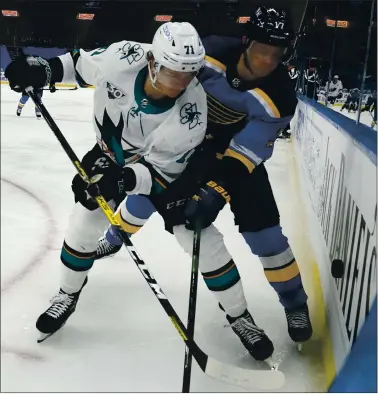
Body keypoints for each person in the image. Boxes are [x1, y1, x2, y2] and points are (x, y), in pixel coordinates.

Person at [98, 6, 313, 362]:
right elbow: (158, 58)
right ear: (246, 42)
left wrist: (216, 192)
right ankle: (116, 233)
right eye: (261, 49)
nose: (267, 60)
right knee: (152, 192)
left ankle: (294, 303)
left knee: (268, 238)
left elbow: (246, 152)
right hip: (186, 147)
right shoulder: (207, 52)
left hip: (236, 161)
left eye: (277, 54)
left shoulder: (280, 96)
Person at [5, 22, 207, 342]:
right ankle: (67, 294)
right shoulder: (123, 56)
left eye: (188, 74)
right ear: (153, 62)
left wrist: (125, 180)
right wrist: (42, 70)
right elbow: (79, 63)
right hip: (108, 155)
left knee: (201, 236)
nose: (179, 83)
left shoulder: (192, 111)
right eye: (172, 72)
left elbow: (166, 173)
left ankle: (238, 314)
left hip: (152, 170)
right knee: (84, 223)